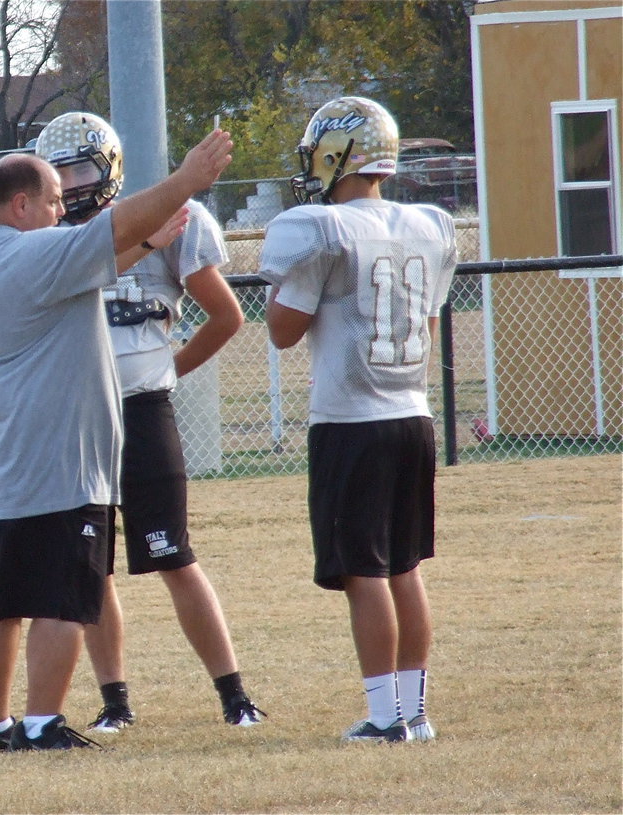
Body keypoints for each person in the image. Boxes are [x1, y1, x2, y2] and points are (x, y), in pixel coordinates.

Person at [0, 128, 234, 752]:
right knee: (61, 601)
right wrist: (185, 181)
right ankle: (44, 722)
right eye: (51, 201)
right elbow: (105, 232)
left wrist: (147, 242)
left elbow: (90, 258)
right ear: (20, 205)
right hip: (52, 467)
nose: (60, 212)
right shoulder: (33, 256)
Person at [33, 112, 266, 733]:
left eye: (79, 167)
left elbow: (225, 316)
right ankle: (115, 702)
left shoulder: (173, 222)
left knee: (173, 555)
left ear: (108, 168)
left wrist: (167, 372)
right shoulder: (50, 234)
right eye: (57, 171)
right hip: (76, 418)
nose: (69, 183)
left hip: (140, 410)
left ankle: (235, 695)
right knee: (91, 563)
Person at [257, 97, 458, 743]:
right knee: (405, 567)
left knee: (364, 570)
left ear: (336, 153)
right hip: (412, 416)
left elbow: (283, 330)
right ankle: (414, 711)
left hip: (352, 420)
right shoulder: (425, 225)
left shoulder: (326, 228)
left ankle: (382, 715)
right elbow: (426, 327)